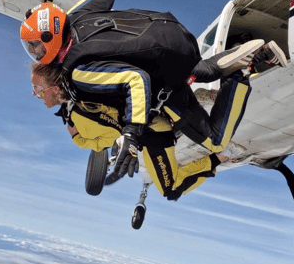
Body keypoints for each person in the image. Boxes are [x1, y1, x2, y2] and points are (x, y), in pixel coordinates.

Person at [21, 0, 287, 180]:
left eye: (35, 46)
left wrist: (131, 135)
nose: (34, 52)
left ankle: (242, 70)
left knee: (214, 139)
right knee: (192, 69)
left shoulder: (77, 72)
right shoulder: (75, 16)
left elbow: (136, 81)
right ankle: (239, 54)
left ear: (50, 38)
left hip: (168, 72)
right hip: (176, 32)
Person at [31, 63, 221, 200]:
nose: (35, 93)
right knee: (169, 187)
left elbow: (114, 134)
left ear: (55, 90)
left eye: (37, 88)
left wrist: (78, 139)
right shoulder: (81, 90)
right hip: (150, 126)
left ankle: (216, 160)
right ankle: (213, 159)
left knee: (171, 189)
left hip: (152, 132)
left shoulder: (78, 114)